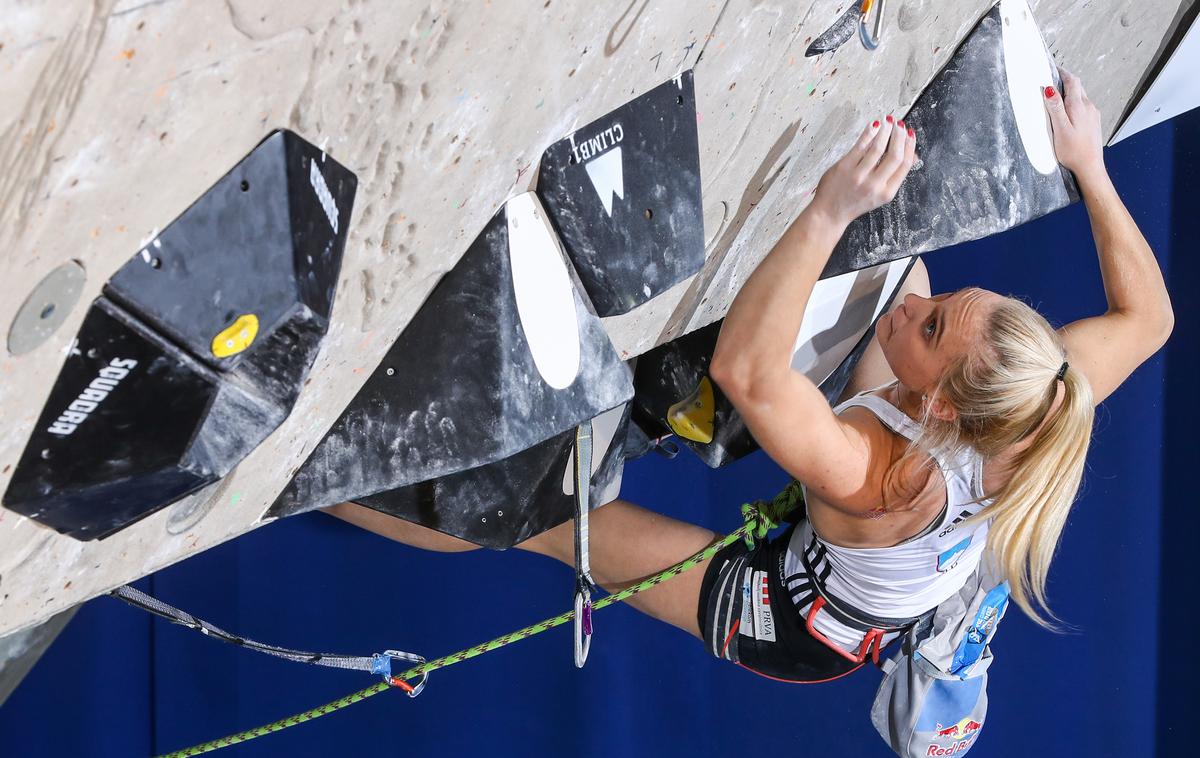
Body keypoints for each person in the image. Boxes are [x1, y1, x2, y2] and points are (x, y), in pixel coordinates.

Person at [324, 70, 1173, 682]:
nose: (930, 307)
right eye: (962, 301)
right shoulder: (1045, 398)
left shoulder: (878, 475)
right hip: (918, 515)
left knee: (551, 520)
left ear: (941, 404)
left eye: (937, 328)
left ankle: (317, 490)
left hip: (799, 616)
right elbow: (1152, 320)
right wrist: (1090, 167)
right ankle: (916, 571)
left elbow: (746, 369)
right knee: (900, 276)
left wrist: (831, 208)